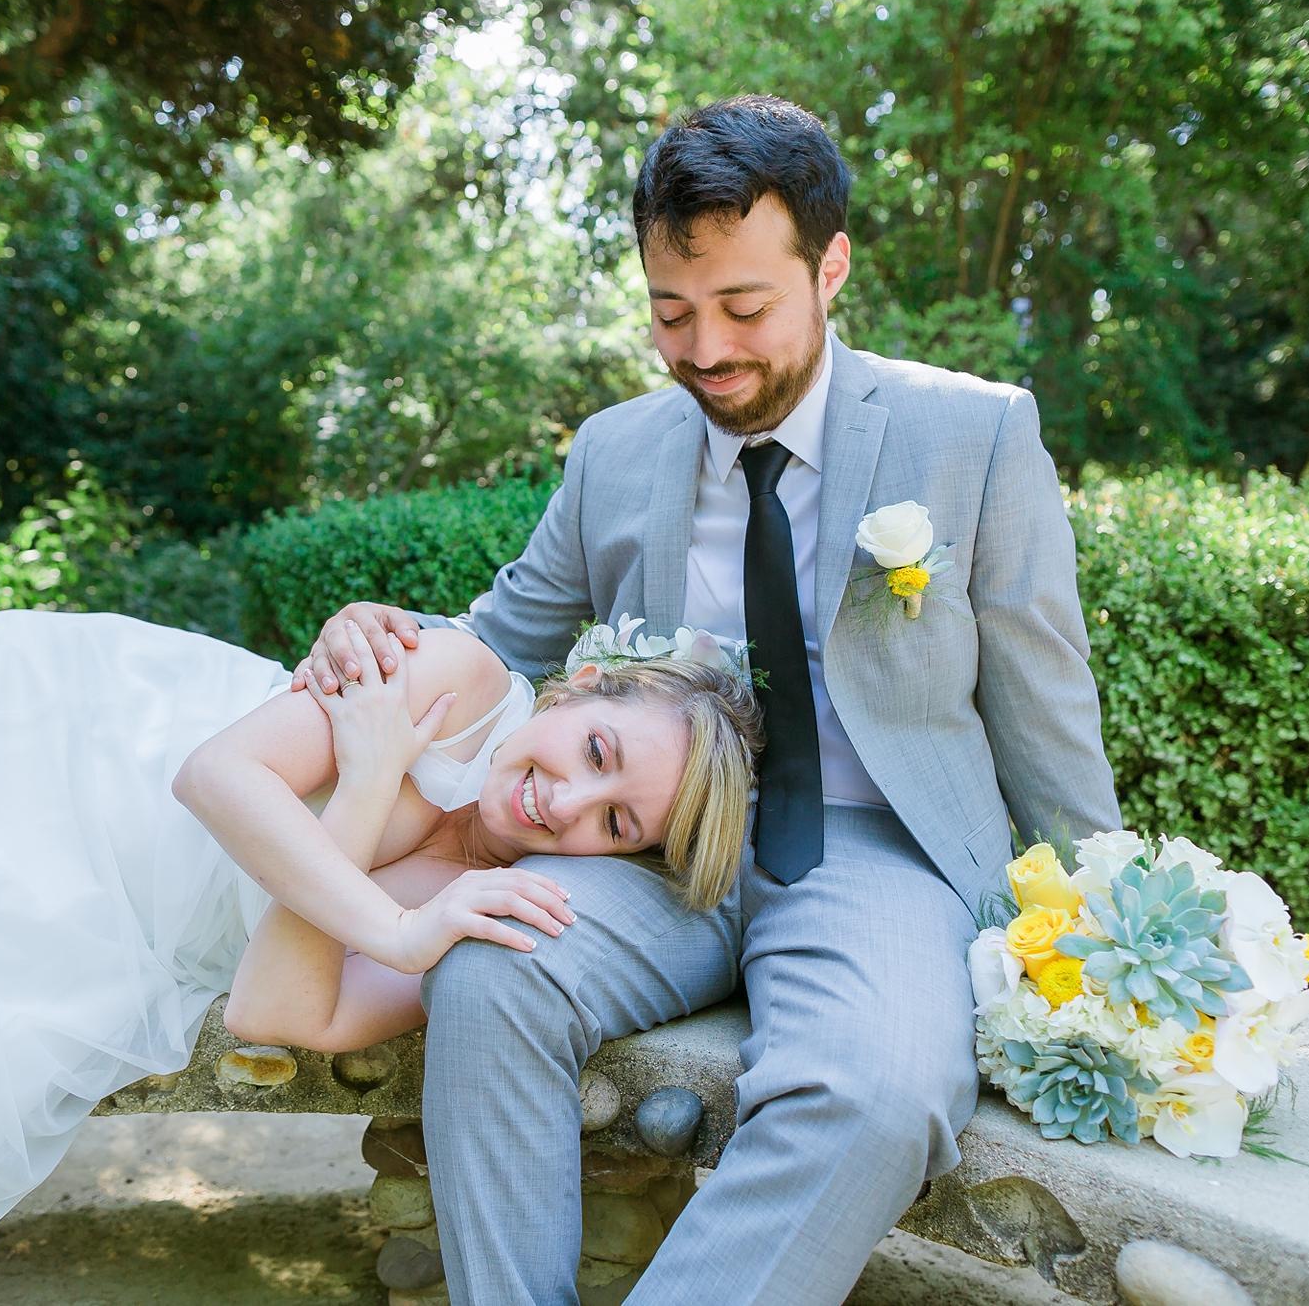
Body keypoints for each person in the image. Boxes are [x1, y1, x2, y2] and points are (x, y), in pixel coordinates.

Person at [296, 94, 1123, 1304]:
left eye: (742, 306)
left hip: (872, 851)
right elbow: (501, 633)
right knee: (487, 974)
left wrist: (1108, 924)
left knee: (876, 1095)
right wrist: (378, 632)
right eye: (669, 312)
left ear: (829, 268)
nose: (703, 349)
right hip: (641, 849)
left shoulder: (972, 433)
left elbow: (1044, 697)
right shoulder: (614, 450)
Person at [0, 606, 760, 1306]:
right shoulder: (468, 680)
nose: (566, 804)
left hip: (112, 912)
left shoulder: (469, 899)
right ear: (579, 687)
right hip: (60, 747)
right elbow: (215, 774)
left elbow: (271, 1007)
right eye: (596, 751)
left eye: (614, 824)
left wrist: (368, 787)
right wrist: (381, 912)